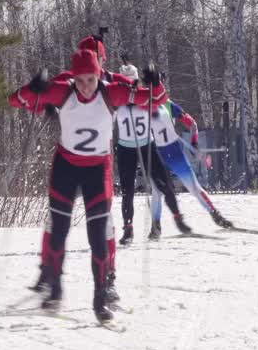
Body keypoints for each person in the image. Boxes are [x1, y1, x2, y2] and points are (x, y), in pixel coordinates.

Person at [9, 49, 165, 323]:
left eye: (90, 80)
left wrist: (155, 83)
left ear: (98, 75)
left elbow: (155, 100)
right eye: (79, 81)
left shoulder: (111, 93)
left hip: (97, 170)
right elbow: (18, 100)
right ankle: (55, 288)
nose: (85, 87)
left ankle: (99, 297)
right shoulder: (62, 91)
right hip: (65, 168)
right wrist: (33, 88)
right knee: (58, 231)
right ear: (73, 78)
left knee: (97, 236)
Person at [112, 64, 192, 243]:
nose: (129, 87)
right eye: (125, 83)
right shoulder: (116, 100)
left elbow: (162, 98)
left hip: (147, 145)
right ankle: (128, 229)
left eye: (133, 82)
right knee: (128, 191)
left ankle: (178, 218)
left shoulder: (144, 96)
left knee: (165, 183)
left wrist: (156, 82)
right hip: (126, 149)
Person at [147, 101, 235, 229]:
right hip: (159, 154)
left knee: (193, 187)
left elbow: (192, 123)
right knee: (157, 191)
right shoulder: (143, 104)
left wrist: (194, 143)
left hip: (173, 152)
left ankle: (216, 215)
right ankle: (155, 226)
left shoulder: (168, 105)